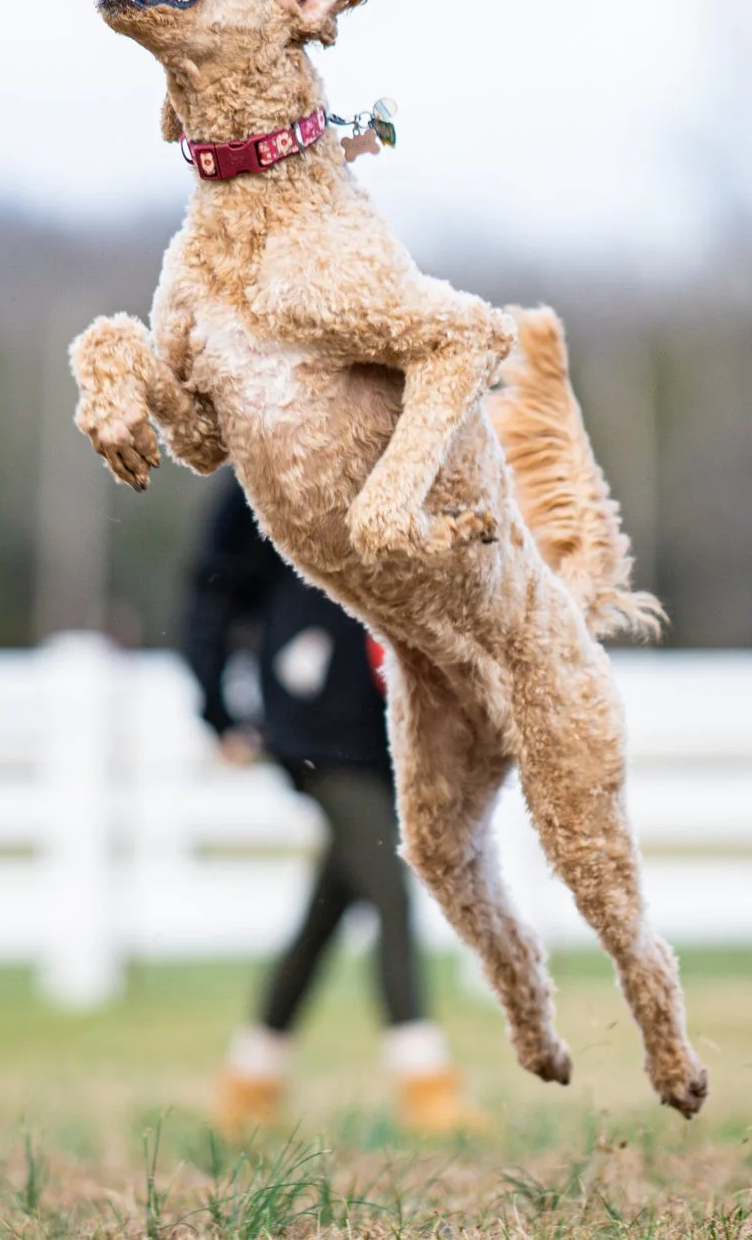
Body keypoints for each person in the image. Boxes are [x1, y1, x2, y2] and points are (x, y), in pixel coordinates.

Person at [181, 475, 480, 1135]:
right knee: (388, 883)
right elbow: (216, 585)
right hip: (313, 717)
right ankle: (425, 1079)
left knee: (331, 902)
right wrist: (217, 707)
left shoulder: (416, 457)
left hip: (392, 719)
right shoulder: (269, 464)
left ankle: (251, 1077)